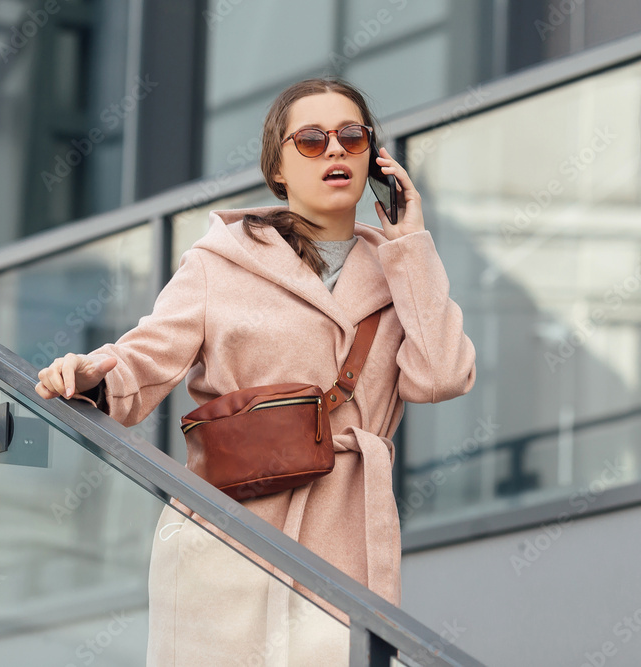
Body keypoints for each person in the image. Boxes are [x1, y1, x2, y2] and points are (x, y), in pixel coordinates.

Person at [34, 77, 476, 666]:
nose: (337, 150)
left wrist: (412, 244)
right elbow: (144, 357)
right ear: (279, 168)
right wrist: (89, 374)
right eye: (312, 140)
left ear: (375, 158)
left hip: (347, 536)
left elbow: (442, 375)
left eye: (352, 136)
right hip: (232, 528)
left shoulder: (400, 270)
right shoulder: (222, 262)